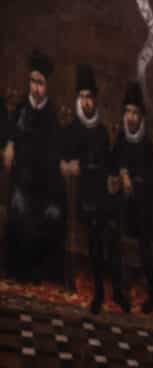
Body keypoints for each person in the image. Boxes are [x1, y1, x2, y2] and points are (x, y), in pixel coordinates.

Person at [60, 64, 130, 314]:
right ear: (78, 99)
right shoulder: (72, 129)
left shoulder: (101, 131)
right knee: (100, 233)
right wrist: (69, 165)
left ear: (94, 99)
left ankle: (118, 292)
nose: (86, 102)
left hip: (102, 194)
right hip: (84, 197)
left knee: (112, 230)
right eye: (82, 97)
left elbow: (109, 163)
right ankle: (100, 291)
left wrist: (114, 177)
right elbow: (63, 160)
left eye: (89, 97)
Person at [111, 81, 153, 321]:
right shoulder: (120, 138)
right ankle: (120, 290)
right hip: (123, 206)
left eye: (135, 112)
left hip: (143, 206)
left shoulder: (147, 144)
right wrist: (121, 174)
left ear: (141, 116)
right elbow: (112, 164)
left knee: (150, 237)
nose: (131, 117)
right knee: (114, 225)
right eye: (127, 111)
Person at [4, 50, 67, 284]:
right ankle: (18, 271)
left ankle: (41, 273)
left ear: (47, 85)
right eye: (32, 81)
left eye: (40, 83)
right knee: (19, 208)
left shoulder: (52, 114)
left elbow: (55, 152)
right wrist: (10, 143)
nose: (35, 88)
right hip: (22, 181)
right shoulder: (21, 108)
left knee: (52, 214)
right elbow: (11, 133)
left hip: (46, 185)